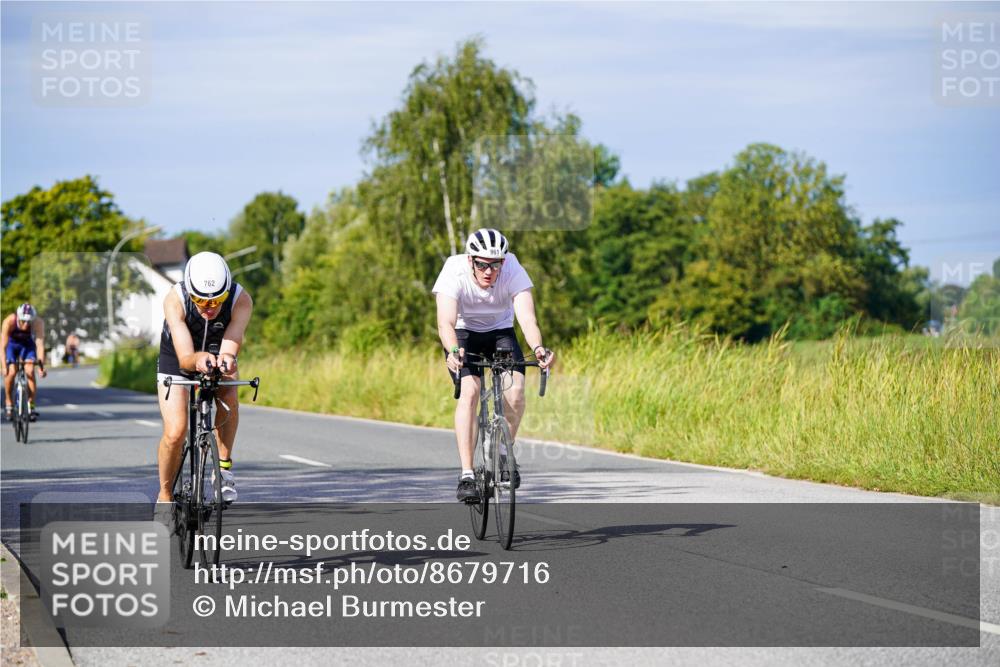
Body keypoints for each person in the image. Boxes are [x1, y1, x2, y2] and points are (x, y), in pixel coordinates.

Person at [432, 228, 555, 503]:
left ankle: (502, 451)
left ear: (504, 261)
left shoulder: (513, 268)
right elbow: (445, 323)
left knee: (516, 391)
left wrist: (538, 348)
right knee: (471, 391)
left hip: (500, 331)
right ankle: (466, 475)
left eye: (495, 265)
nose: (489, 271)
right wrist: (453, 351)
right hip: (463, 334)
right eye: (482, 265)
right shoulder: (453, 270)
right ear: (470, 261)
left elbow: (527, 318)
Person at [155, 252, 252, 509]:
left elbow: (231, 346)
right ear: (190, 291)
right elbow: (186, 357)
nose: (208, 308)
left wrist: (227, 359)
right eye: (199, 300)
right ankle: (164, 496)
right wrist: (197, 360)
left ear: (226, 292)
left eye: (217, 301)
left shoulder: (241, 300)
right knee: (176, 432)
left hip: (217, 350)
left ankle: (223, 470)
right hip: (178, 357)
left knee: (229, 391)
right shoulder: (175, 300)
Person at [2, 303, 47, 421]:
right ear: (18, 317)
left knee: (30, 371)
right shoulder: (9, 321)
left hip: (27, 346)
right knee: (11, 372)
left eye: (29, 322)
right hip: (12, 346)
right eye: (23, 321)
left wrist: (41, 367)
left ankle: (31, 405)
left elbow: (40, 345)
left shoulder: (38, 322)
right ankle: (9, 403)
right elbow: (2, 346)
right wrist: (3, 366)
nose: (26, 324)